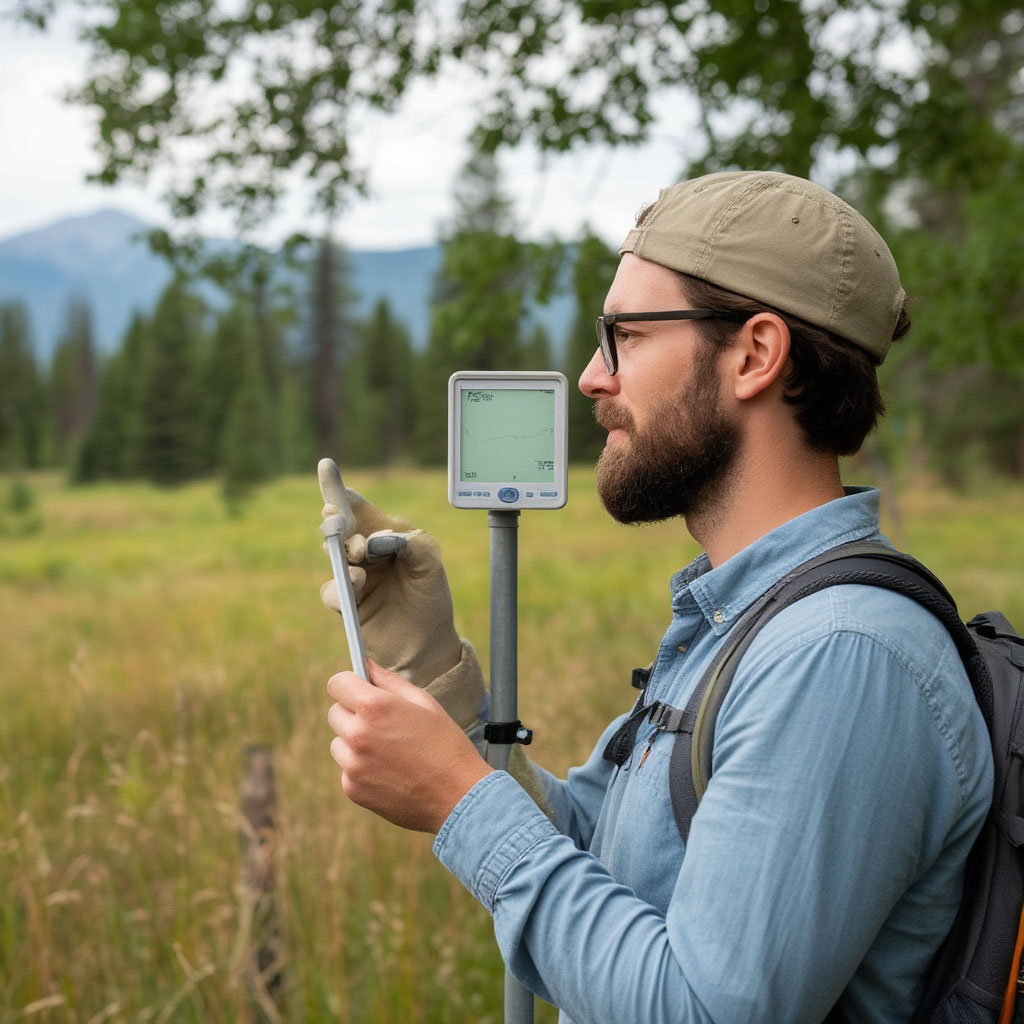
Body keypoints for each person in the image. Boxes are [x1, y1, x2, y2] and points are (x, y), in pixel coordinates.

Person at [321, 170, 993, 1023]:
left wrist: (462, 800)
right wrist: (437, 677)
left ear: (755, 353)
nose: (592, 378)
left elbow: (704, 1010)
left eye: (627, 336)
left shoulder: (840, 654)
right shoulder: (748, 620)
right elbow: (593, 857)